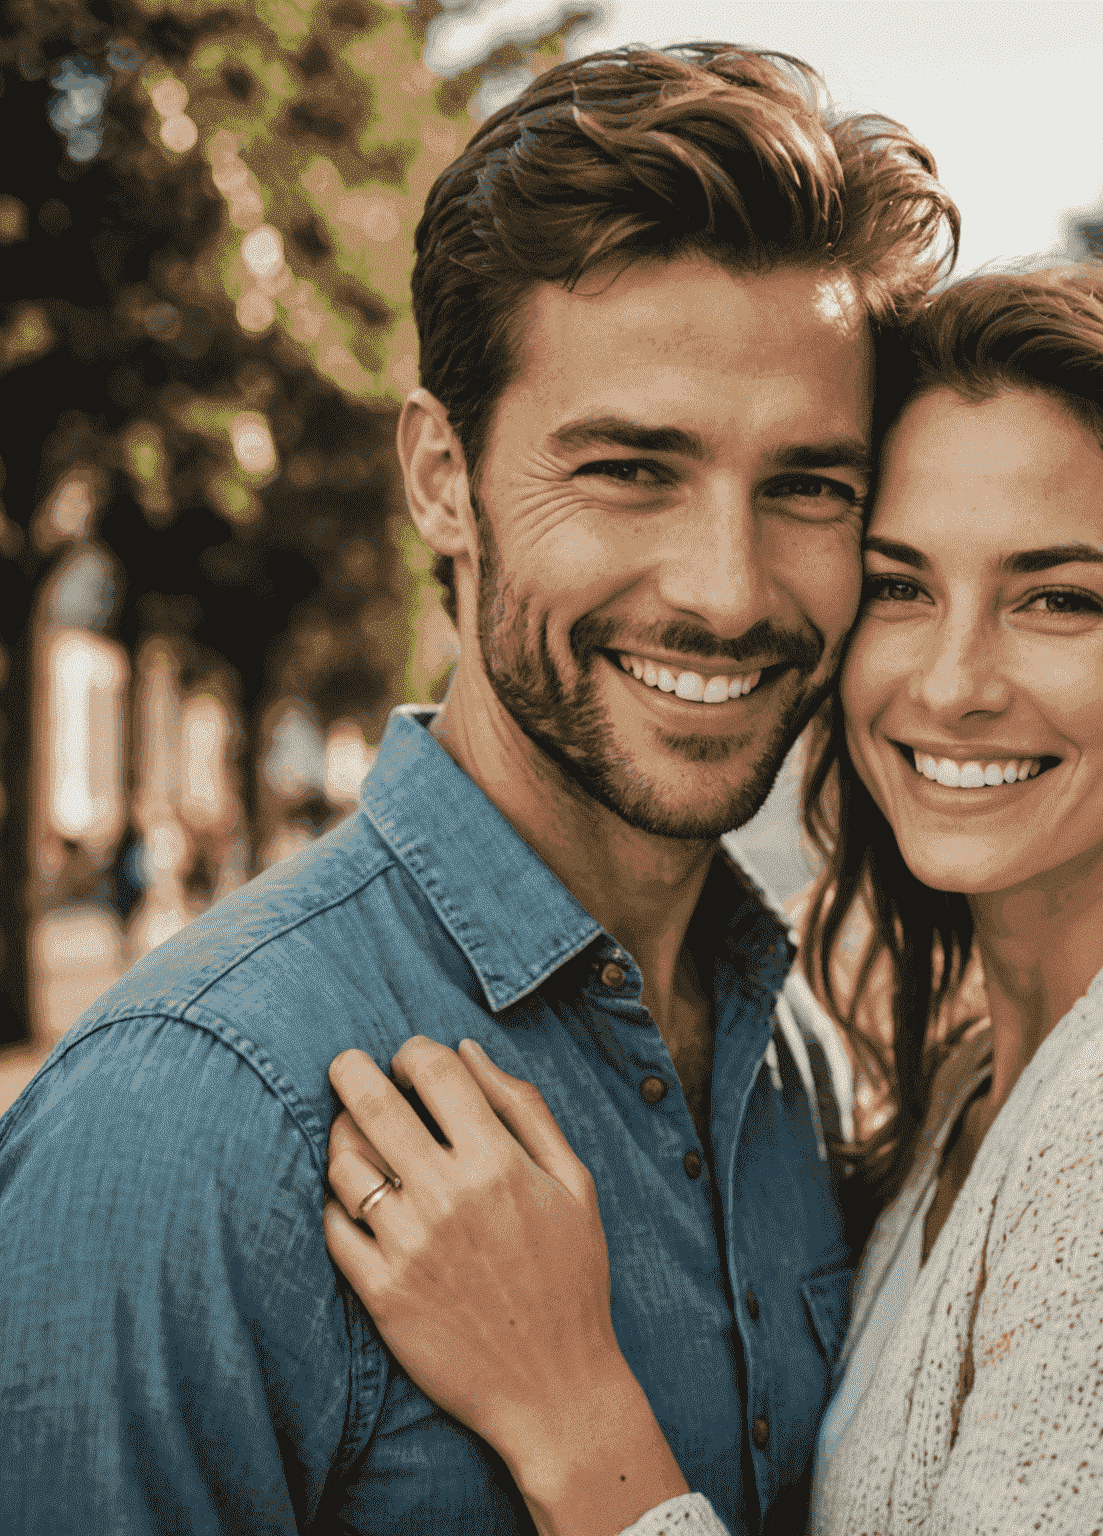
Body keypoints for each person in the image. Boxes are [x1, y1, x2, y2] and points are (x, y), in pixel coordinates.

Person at [322, 262, 1103, 1536]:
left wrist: (573, 1418)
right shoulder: (979, 1086)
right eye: (902, 586)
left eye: (1058, 600)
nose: (953, 683)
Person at [0, 45, 959, 1534]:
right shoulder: (190, 1120)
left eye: (807, 486)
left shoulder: (797, 1067)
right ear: (442, 479)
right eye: (633, 470)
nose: (726, 590)